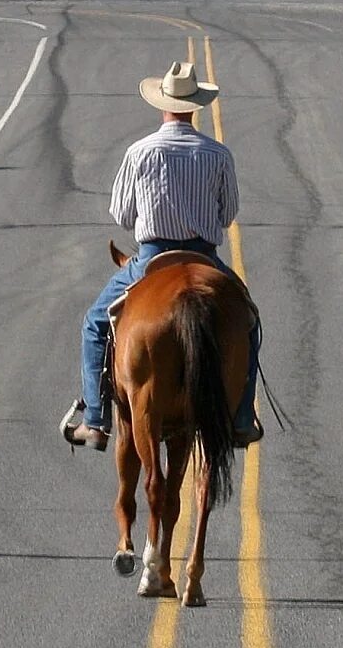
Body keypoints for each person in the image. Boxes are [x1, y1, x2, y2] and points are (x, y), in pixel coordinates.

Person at [61, 60, 263, 451]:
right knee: (249, 322)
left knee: (94, 324)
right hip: (204, 257)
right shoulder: (218, 153)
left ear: (162, 104)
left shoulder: (139, 152)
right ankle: (240, 418)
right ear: (194, 107)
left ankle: (96, 421)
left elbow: (121, 214)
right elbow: (228, 213)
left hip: (150, 259)